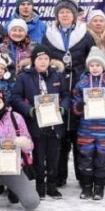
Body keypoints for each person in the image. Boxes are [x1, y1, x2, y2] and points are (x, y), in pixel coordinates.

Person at [42, 0, 95, 187]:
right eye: (61, 12)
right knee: (59, 136)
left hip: (80, 87)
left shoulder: (84, 34)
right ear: (57, 15)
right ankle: (58, 176)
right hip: (57, 88)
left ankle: (83, 177)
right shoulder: (49, 35)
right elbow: (44, 59)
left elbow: (93, 58)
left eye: (68, 12)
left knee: (80, 136)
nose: (65, 15)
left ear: (74, 15)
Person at [11, 45, 71, 199]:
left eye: (46, 59)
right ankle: (39, 187)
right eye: (39, 59)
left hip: (54, 124)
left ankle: (52, 186)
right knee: (38, 157)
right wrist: (29, 110)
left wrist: (63, 108)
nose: (43, 62)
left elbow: (66, 95)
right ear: (33, 60)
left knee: (54, 157)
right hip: (36, 124)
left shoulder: (57, 76)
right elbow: (15, 98)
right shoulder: (24, 77)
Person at [71, 47, 105, 200]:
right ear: (88, 66)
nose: (95, 68)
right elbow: (75, 103)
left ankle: (99, 187)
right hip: (86, 129)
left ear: (103, 66)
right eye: (92, 65)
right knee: (85, 158)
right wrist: (78, 106)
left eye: (98, 65)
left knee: (102, 159)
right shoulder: (81, 84)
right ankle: (87, 186)